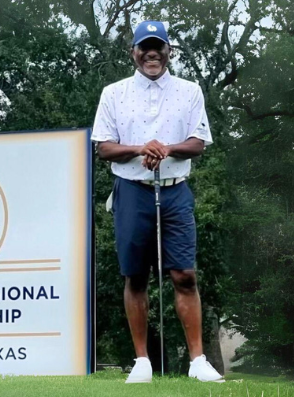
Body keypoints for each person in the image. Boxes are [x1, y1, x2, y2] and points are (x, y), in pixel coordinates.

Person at [90, 20, 224, 383]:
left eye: (158, 47)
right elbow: (104, 147)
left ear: (169, 52)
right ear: (133, 52)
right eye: (144, 47)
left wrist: (165, 148)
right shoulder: (114, 93)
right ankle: (141, 362)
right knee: (135, 276)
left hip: (175, 188)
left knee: (184, 275)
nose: (152, 53)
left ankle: (198, 361)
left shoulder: (189, 90)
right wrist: (141, 148)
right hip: (131, 190)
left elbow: (198, 142)